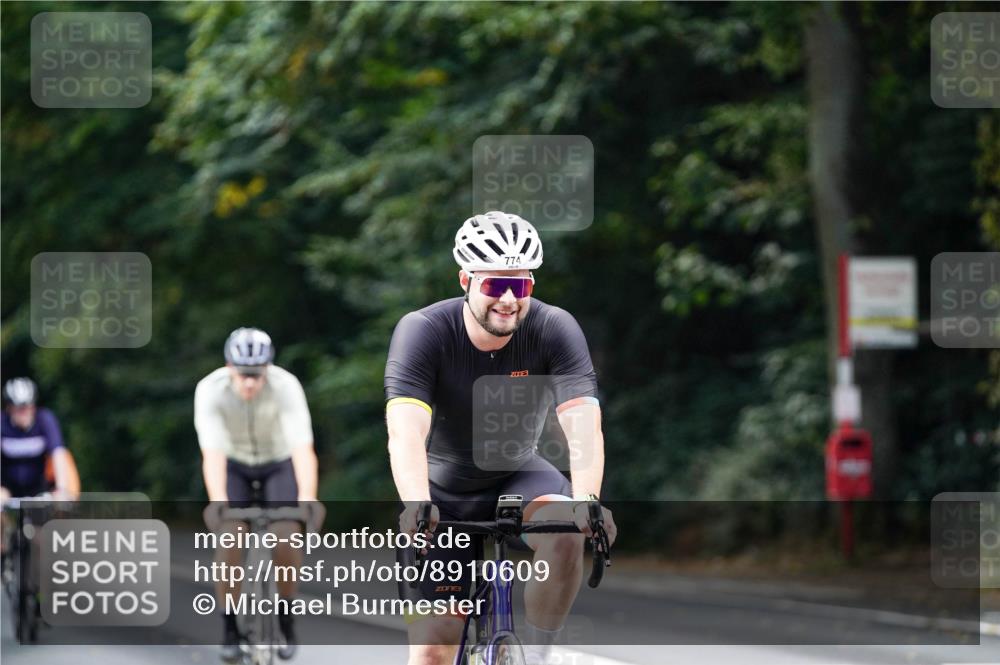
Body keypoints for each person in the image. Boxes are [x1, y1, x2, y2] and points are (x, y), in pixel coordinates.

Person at [385, 211, 618, 665]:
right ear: (465, 279)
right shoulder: (423, 331)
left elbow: (583, 421)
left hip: (519, 477)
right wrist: (416, 502)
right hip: (443, 492)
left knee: (567, 529)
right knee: (432, 652)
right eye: (495, 284)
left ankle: (539, 655)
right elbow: (406, 430)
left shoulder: (553, 327)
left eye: (521, 284)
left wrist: (588, 499)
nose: (509, 299)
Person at [195, 328, 319, 662]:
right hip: (233, 463)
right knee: (230, 538)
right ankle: (229, 626)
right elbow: (213, 454)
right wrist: (218, 501)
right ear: (228, 367)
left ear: (268, 368)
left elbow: (302, 449)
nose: (249, 383)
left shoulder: (286, 386)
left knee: (286, 536)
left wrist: (308, 498)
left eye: (256, 374)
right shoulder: (210, 390)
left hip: (277, 462)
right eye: (243, 374)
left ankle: (285, 616)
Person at [1, 377, 80, 505]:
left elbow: (58, 454)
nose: (24, 412)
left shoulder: (44, 420)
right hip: (6, 488)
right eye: (19, 408)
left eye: (27, 406)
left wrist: (61, 489)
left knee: (66, 456)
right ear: (9, 408)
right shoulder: (2, 424)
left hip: (39, 488)